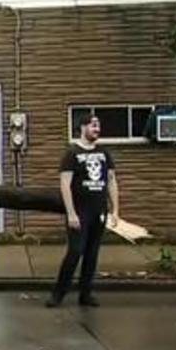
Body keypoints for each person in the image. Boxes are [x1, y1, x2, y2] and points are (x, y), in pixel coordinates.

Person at [46, 114, 122, 308]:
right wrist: (71, 213)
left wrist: (115, 211)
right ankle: (58, 293)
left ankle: (85, 293)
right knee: (75, 251)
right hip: (80, 212)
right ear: (82, 127)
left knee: (92, 253)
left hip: (99, 211)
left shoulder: (104, 153)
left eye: (98, 126)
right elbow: (65, 185)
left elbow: (112, 181)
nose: (97, 129)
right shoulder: (72, 153)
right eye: (93, 125)